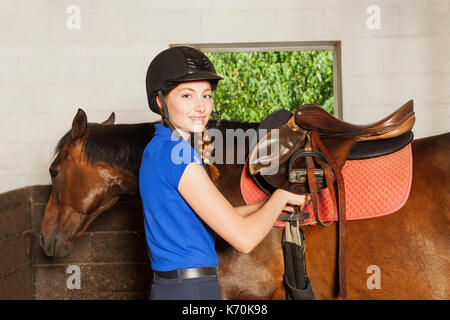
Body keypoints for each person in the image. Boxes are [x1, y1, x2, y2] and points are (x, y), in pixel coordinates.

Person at [139, 46, 309, 300]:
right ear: (160, 101)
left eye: (206, 96)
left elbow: (207, 219)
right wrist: (281, 197)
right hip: (191, 290)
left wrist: (263, 205)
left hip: (175, 287)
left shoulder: (158, 148)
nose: (200, 107)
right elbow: (244, 239)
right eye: (187, 96)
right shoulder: (178, 155)